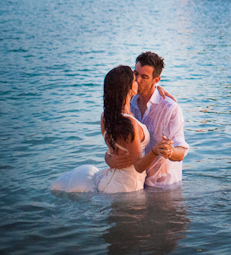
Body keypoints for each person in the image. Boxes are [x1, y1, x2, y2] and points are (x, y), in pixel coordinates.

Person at [51, 65, 160, 193]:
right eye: (135, 80)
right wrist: (155, 151)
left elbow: (114, 150)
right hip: (127, 187)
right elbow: (139, 166)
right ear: (129, 88)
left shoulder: (106, 117)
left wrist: (108, 158)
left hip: (110, 180)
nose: (138, 81)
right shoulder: (130, 124)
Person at [105, 52, 189, 188]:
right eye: (135, 74)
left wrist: (169, 151)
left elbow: (182, 151)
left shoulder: (170, 108)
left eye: (144, 77)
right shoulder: (128, 103)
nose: (137, 80)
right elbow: (116, 144)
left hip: (163, 186)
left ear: (156, 80)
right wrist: (109, 159)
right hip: (136, 185)